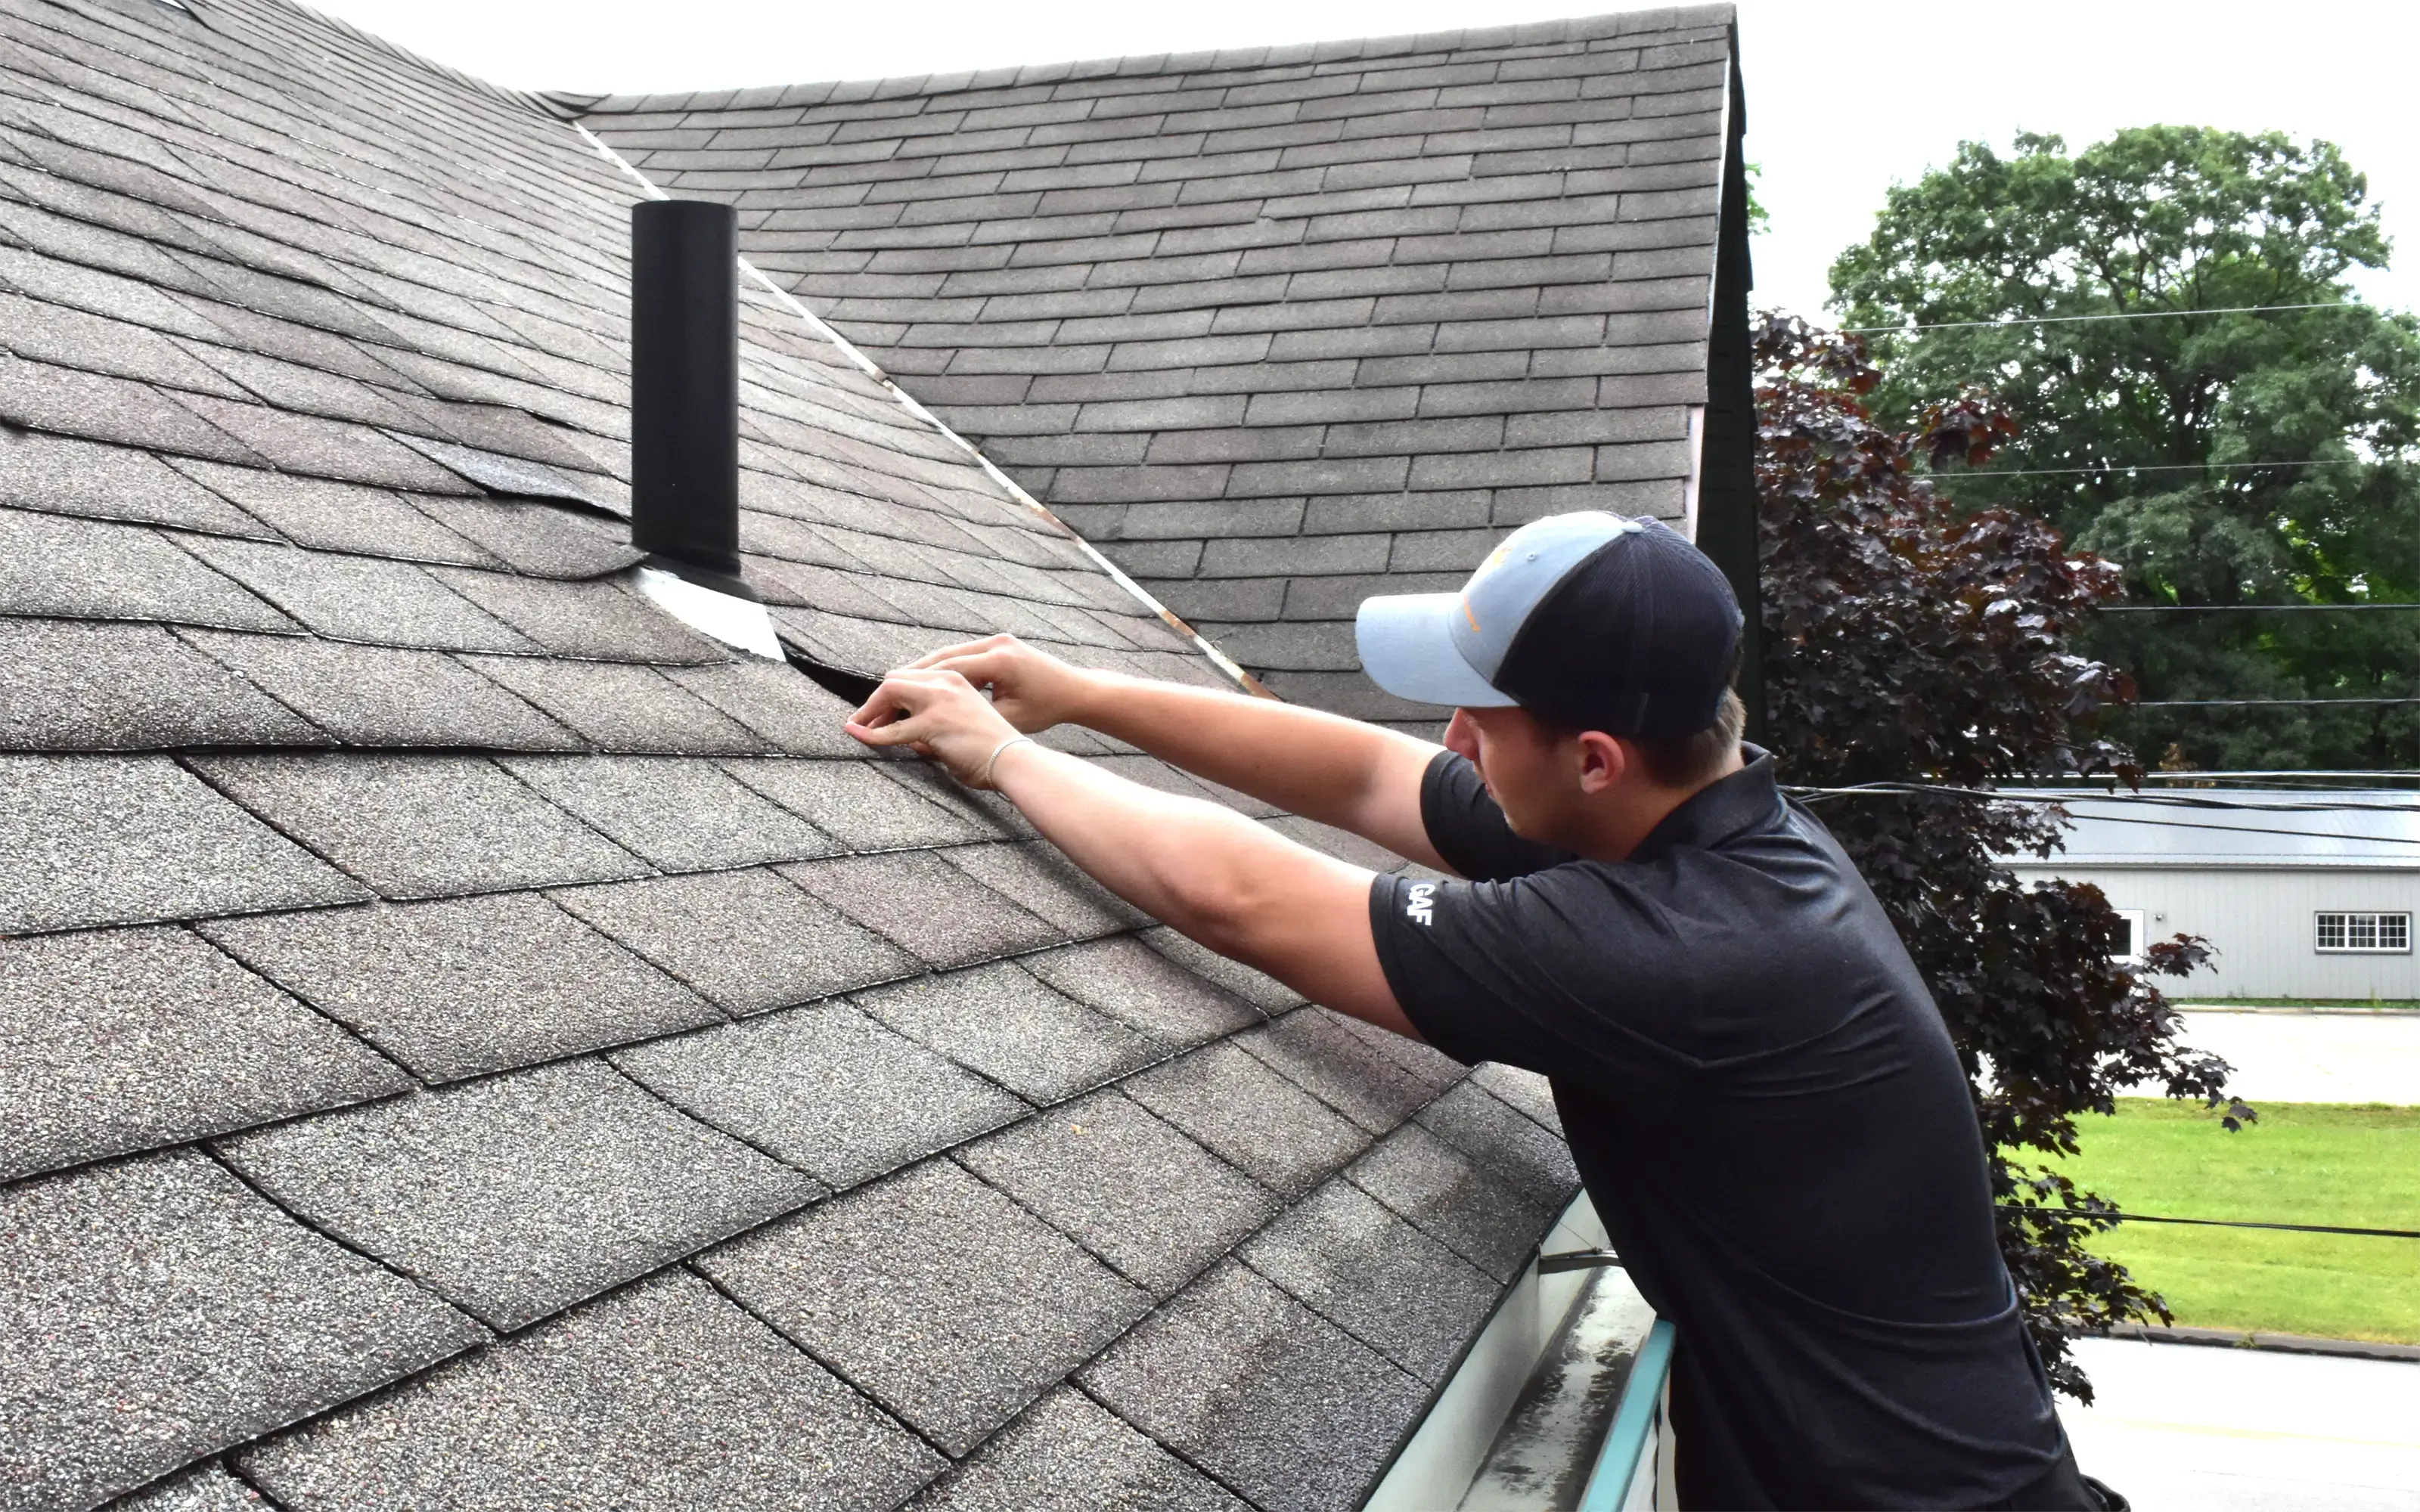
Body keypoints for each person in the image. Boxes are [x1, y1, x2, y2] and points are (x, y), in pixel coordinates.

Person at [845, 511, 2122, 1512]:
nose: (1450, 735)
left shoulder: (1687, 949)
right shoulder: (1693, 824)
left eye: (1481, 715)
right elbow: (1367, 774)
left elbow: (1242, 898)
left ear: (1594, 760)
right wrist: (1077, 691)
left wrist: (999, 753)